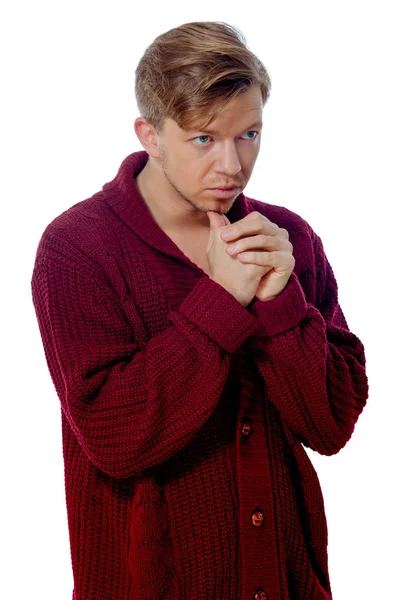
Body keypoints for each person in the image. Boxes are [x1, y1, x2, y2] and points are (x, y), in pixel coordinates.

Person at [31, 21, 369, 600]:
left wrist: (279, 302)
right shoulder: (77, 247)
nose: (233, 166)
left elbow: (331, 424)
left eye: (250, 135)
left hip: (286, 580)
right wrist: (220, 300)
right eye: (204, 139)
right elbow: (115, 436)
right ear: (151, 134)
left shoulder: (287, 238)